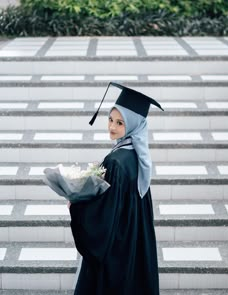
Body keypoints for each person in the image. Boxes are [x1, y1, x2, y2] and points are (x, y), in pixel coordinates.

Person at [68, 82, 164, 295]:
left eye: (120, 123)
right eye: (110, 119)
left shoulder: (116, 162)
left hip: (117, 246)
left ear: (132, 125)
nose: (112, 127)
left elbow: (105, 214)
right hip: (133, 240)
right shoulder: (137, 156)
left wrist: (76, 204)